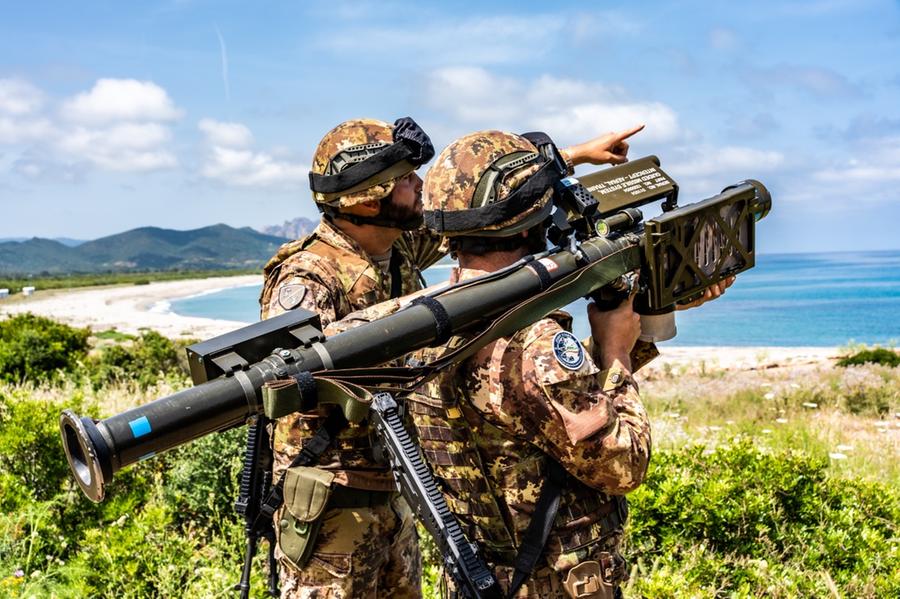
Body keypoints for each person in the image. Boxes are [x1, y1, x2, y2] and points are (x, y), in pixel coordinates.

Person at [409, 127, 652, 599]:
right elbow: (624, 464)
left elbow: (532, 406)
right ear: (526, 225)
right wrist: (617, 351)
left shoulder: (422, 321)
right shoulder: (534, 345)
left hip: (473, 575)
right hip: (552, 583)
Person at [258, 117, 442, 599]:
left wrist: (571, 155)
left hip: (391, 497)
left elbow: (486, 218)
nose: (420, 185)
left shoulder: (394, 251)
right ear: (367, 197)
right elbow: (299, 378)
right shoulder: (308, 277)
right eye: (405, 178)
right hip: (332, 511)